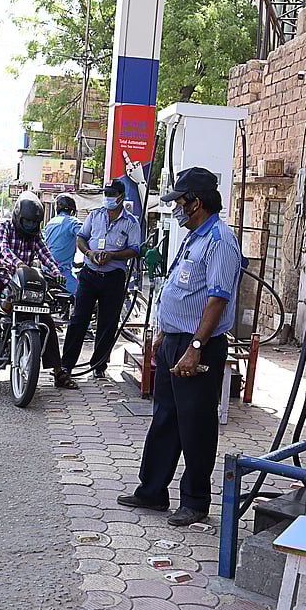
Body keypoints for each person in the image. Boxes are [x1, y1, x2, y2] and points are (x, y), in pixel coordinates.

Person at [116, 167, 243, 526]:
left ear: (196, 203)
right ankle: (152, 491)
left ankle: (196, 501)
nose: (176, 209)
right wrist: (164, 333)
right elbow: (181, 287)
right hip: (176, 340)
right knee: (166, 417)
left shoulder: (219, 240)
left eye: (180, 202)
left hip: (198, 346)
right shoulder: (194, 236)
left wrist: (196, 345)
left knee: (195, 424)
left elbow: (217, 299)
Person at [0, 191, 79, 390]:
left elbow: (45, 254)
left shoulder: (36, 235)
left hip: (22, 282)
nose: (31, 225)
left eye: (34, 223)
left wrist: (56, 272)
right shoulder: (3, 226)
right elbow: (2, 250)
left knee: (45, 318)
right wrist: (19, 264)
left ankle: (58, 372)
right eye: (28, 221)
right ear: (18, 216)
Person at [61, 179, 141, 379]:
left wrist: (112, 255)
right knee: (79, 319)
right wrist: (88, 253)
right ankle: (66, 365)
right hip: (89, 274)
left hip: (114, 276)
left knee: (108, 323)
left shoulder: (131, 223)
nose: (108, 198)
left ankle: (99, 366)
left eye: (112, 195)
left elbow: (134, 249)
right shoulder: (95, 216)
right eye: (106, 194)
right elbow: (81, 237)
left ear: (121, 197)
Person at [43, 194, 83, 295]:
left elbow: (56, 246)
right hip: (61, 272)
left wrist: (74, 264)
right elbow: (85, 235)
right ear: (71, 210)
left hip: (46, 269)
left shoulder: (50, 222)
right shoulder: (72, 222)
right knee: (83, 296)